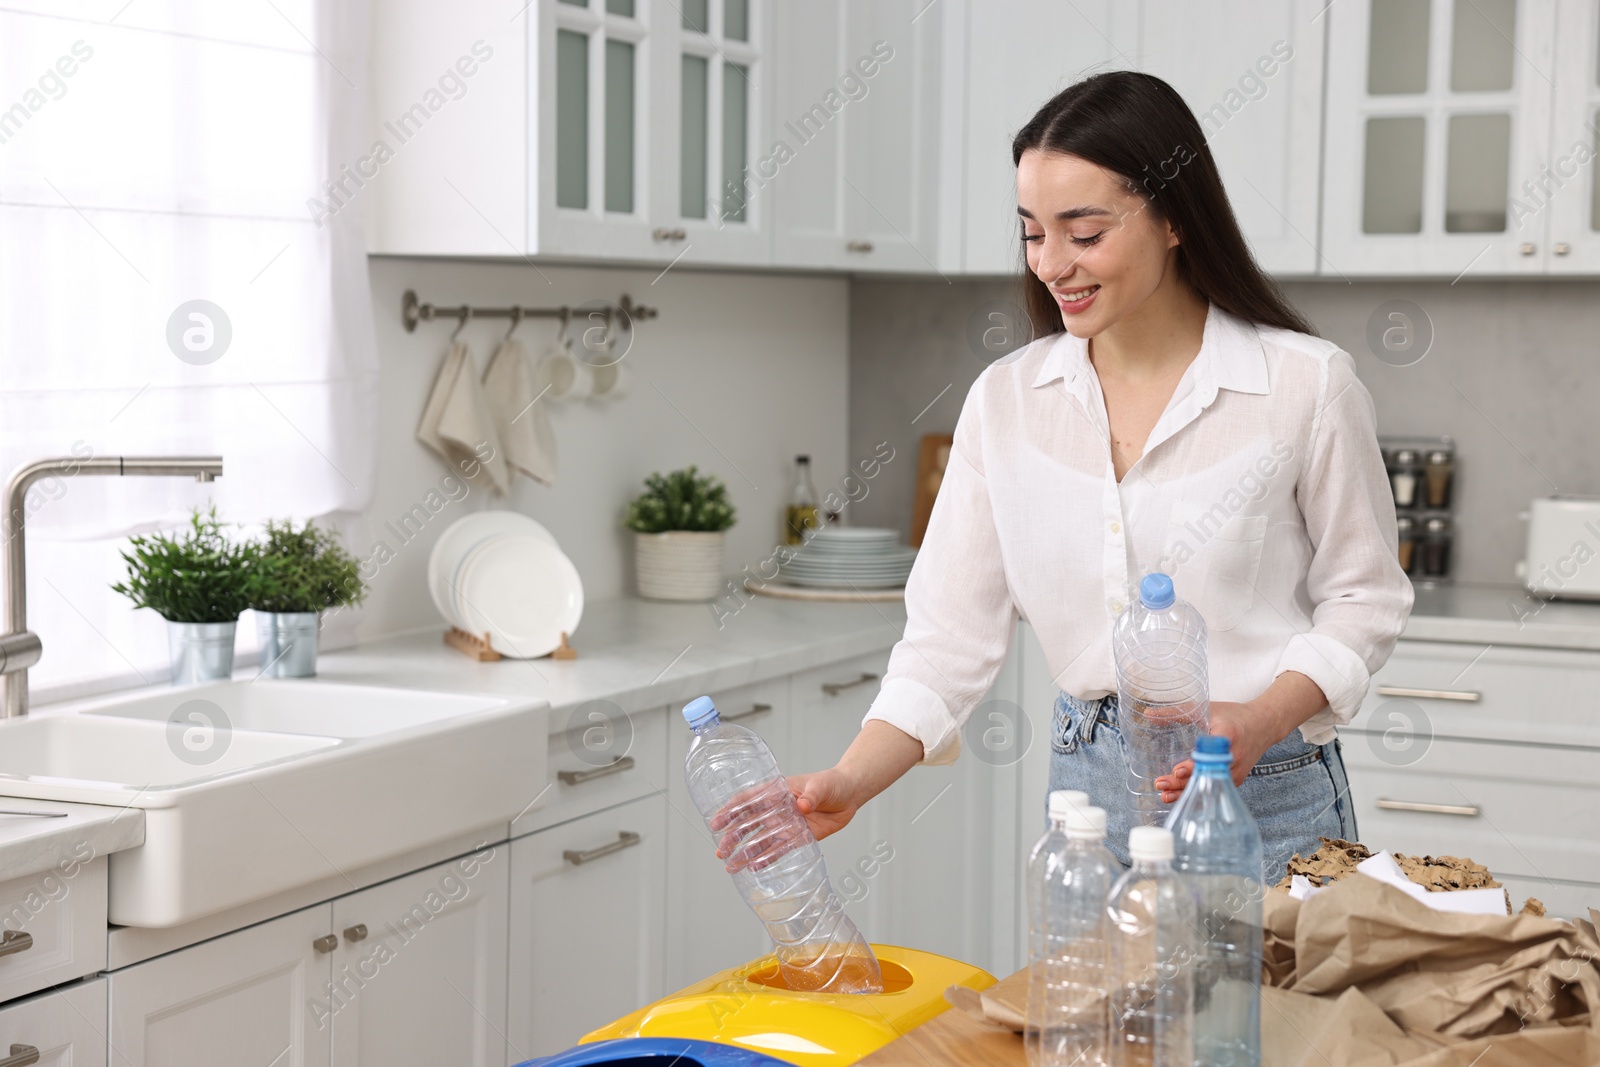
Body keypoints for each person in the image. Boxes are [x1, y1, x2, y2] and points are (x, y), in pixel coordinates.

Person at [772, 71, 1414, 876]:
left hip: (1269, 789)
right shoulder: (1006, 401)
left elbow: (1366, 599)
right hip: (1087, 800)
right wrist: (850, 781)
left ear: (1176, 217)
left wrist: (1259, 718)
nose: (1051, 263)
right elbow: (945, 641)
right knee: (1099, 1008)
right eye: (1033, 232)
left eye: (1084, 231)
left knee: (1270, 1008)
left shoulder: (1305, 385)